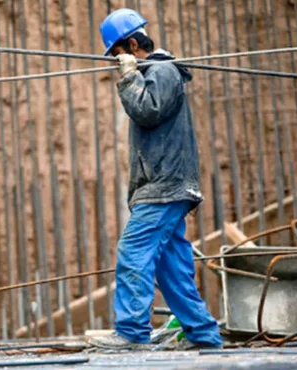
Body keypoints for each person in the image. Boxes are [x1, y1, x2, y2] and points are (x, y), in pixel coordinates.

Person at [89, 8, 222, 350]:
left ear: (132, 44)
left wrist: (130, 77)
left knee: (133, 252)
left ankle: (132, 331)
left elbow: (147, 112)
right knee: (172, 267)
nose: (114, 63)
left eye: (117, 54)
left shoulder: (162, 70)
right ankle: (204, 335)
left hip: (163, 186)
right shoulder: (156, 71)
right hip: (166, 185)